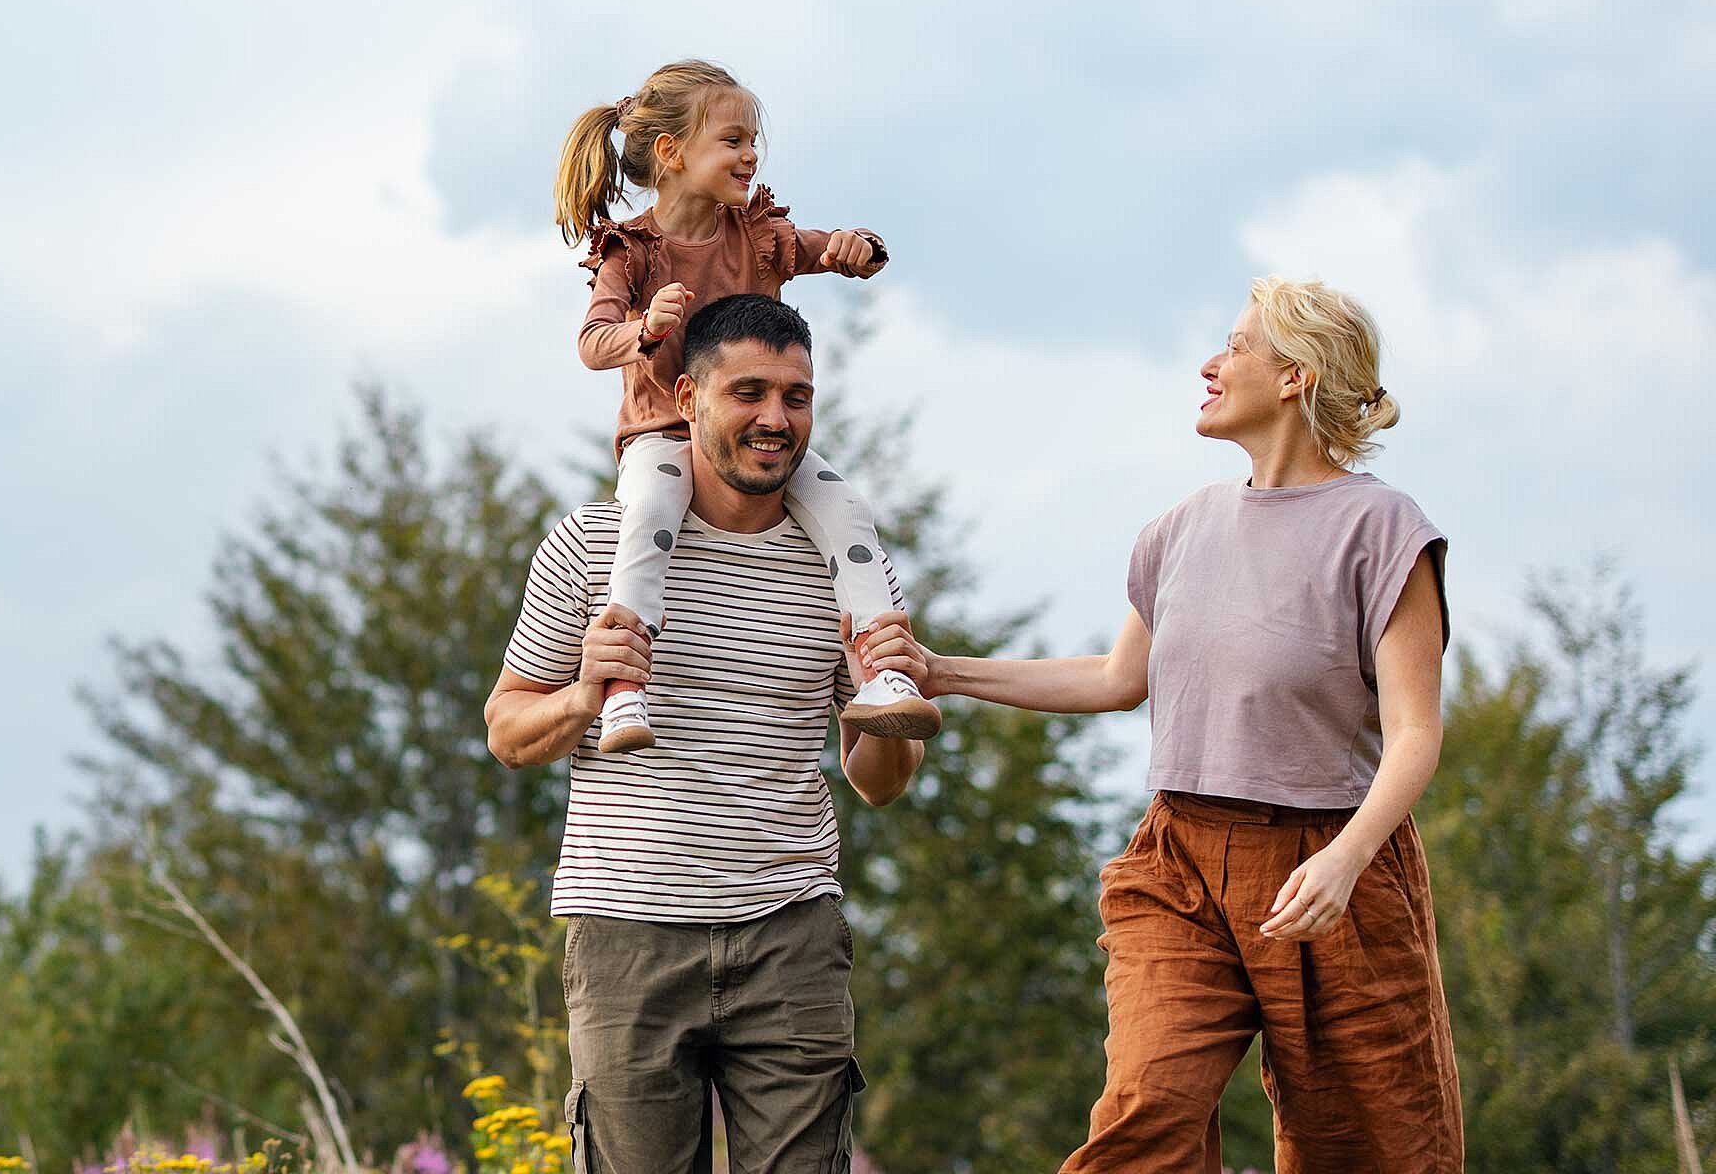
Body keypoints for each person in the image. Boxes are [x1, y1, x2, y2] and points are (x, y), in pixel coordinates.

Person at [861, 275, 1462, 1172]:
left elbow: (1416, 732)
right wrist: (944, 672)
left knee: (1375, 1146)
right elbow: (1116, 678)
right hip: (1181, 863)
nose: (1211, 365)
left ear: (1296, 376)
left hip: (1336, 867)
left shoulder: (1382, 529)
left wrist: (1345, 859)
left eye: (1237, 347)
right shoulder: (1179, 529)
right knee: (1148, 1112)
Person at [486, 293, 925, 1172]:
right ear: (686, 396)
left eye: (796, 398)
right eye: (749, 393)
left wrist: (878, 695)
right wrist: (583, 695)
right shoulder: (591, 544)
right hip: (627, 935)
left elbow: (881, 780)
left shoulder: (849, 566)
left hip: (790, 935)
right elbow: (506, 729)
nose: (776, 418)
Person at [553, 58, 937, 755]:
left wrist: (858, 249)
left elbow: (826, 249)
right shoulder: (632, 252)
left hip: (749, 439)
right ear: (671, 153)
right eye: (732, 140)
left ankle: (884, 673)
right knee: (648, 514)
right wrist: (643, 330)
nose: (750, 154)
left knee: (846, 507)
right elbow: (591, 343)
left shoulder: (755, 235)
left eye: (752, 140)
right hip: (662, 434)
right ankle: (623, 687)